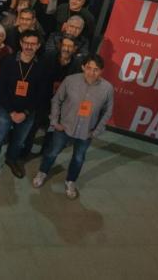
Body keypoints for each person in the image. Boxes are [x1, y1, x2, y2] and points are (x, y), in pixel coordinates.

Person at [33, 54, 114, 199]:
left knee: (78, 158)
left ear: (101, 71)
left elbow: (107, 112)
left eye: (96, 69)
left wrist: (95, 132)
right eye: (88, 68)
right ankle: (42, 172)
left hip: (86, 132)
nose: (91, 73)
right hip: (64, 127)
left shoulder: (107, 88)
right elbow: (56, 100)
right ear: (83, 67)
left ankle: (70, 181)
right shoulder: (70, 80)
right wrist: (55, 122)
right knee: (52, 152)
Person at [0, 30, 48, 179]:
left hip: (27, 112)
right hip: (6, 109)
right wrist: (11, 112)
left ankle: (11, 159)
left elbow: (42, 94)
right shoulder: (8, 60)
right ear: (21, 43)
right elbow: (0, 87)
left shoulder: (42, 66)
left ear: (38, 46)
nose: (29, 46)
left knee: (19, 140)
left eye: (33, 44)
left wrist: (25, 113)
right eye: (26, 43)